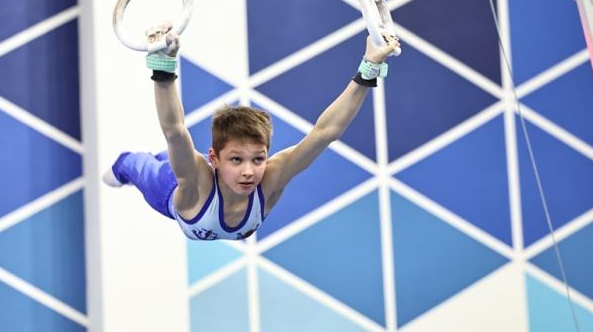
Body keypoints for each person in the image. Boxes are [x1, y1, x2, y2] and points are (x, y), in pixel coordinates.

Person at [104, 24, 400, 240]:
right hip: (167, 187)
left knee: (176, 154)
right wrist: (163, 68)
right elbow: (175, 131)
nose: (249, 172)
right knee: (134, 166)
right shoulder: (197, 182)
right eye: (236, 160)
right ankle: (122, 165)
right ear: (214, 158)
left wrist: (369, 69)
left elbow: (326, 133)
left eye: (258, 159)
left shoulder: (273, 177)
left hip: (196, 189)